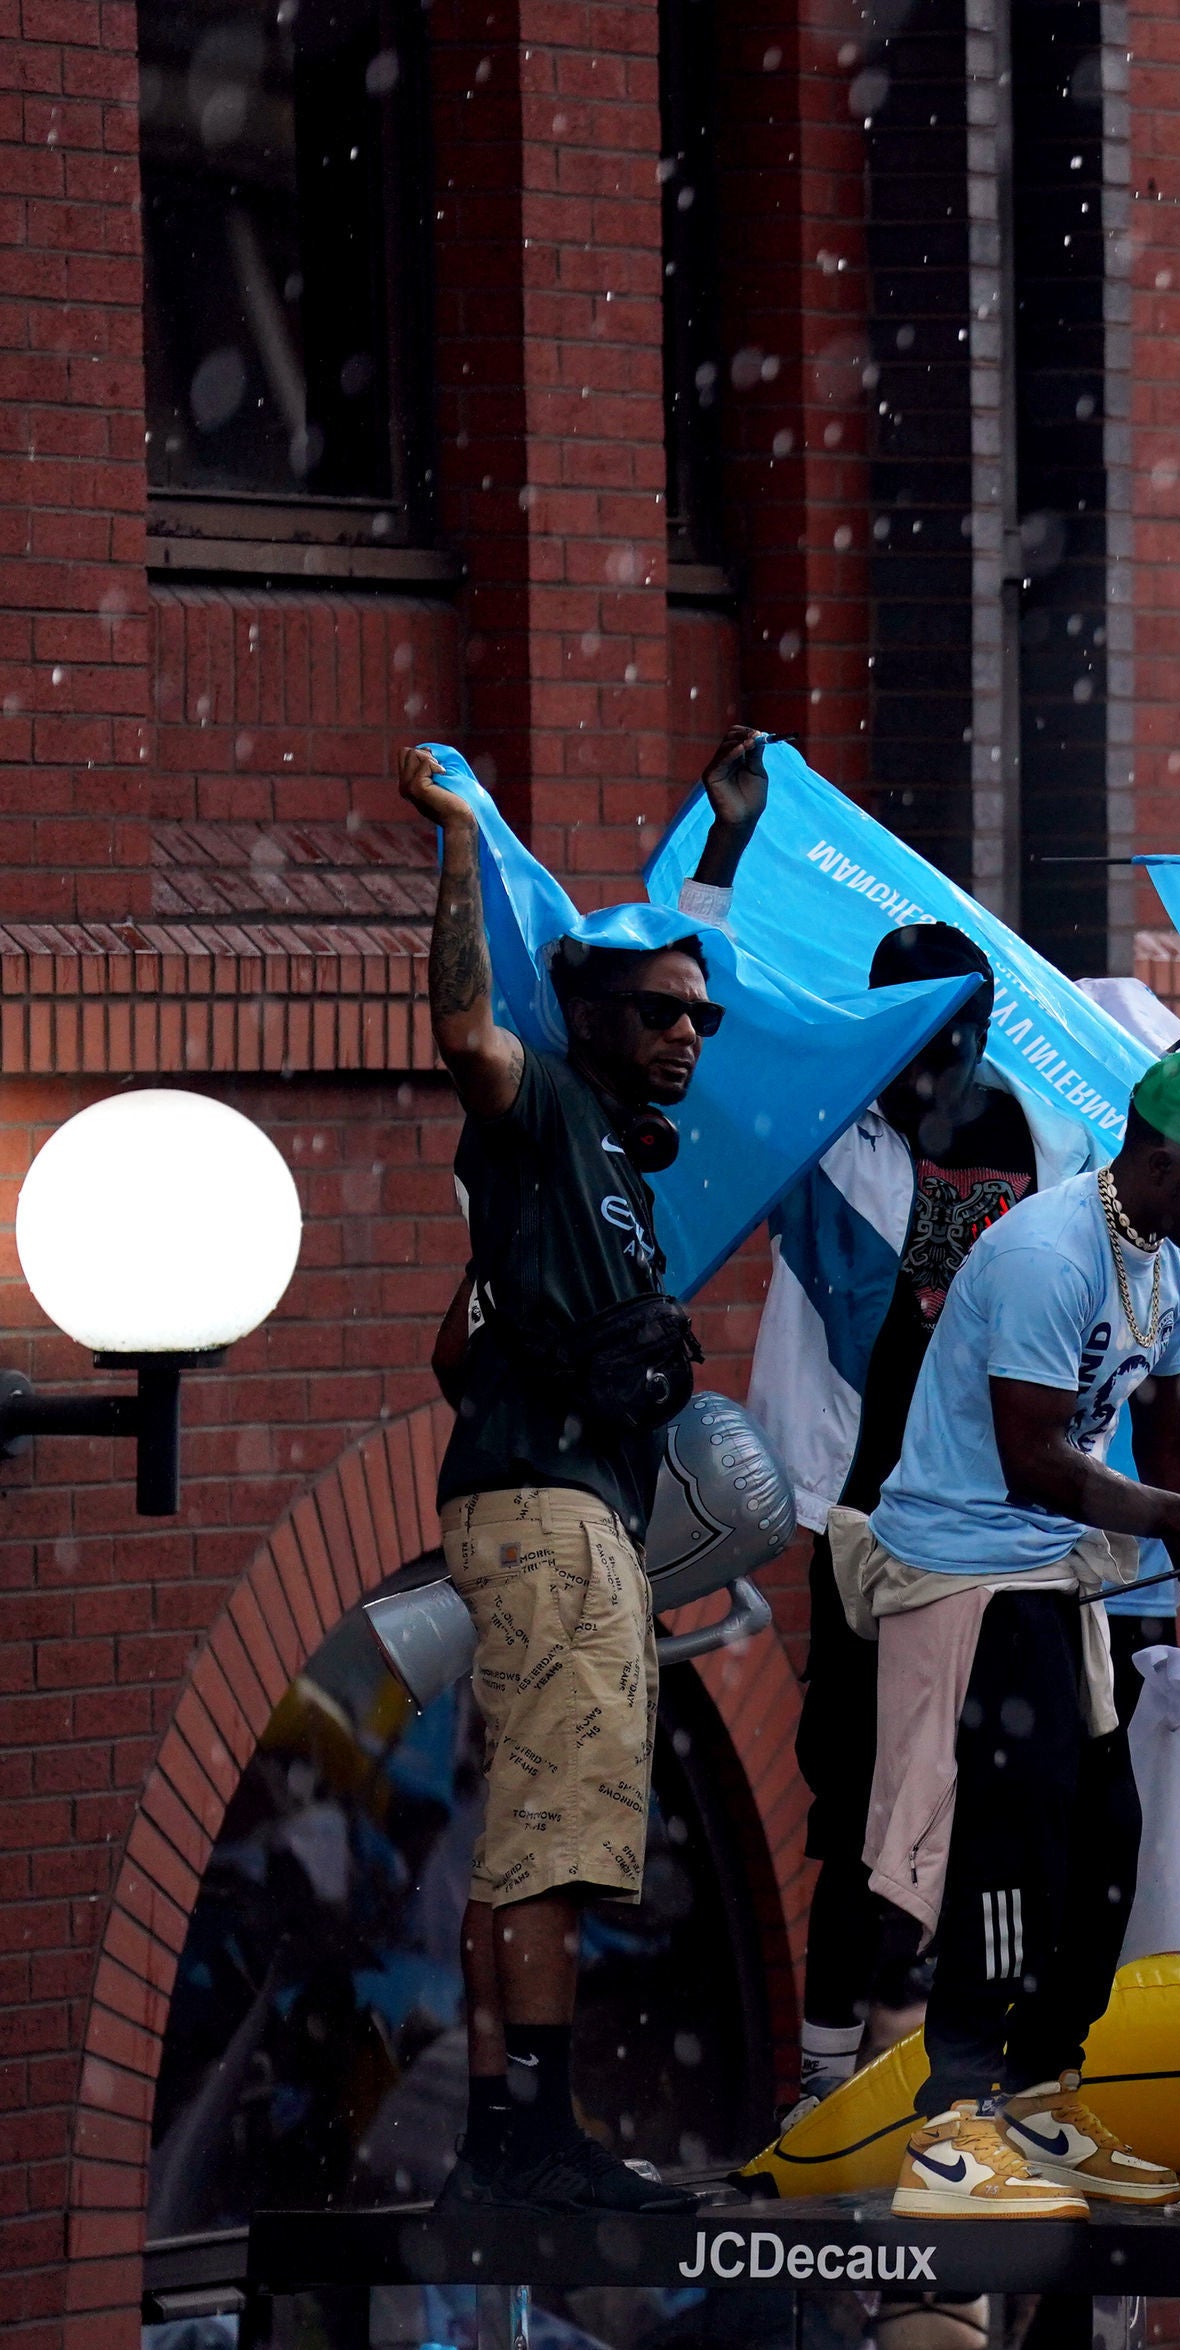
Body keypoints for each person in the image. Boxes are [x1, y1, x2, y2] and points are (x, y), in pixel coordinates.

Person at [401, 735, 763, 2215]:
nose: (690, 1033)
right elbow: (462, 1033)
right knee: (563, 1827)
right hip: (553, 1514)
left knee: (524, 1832)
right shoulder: (543, 1100)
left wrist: (535, 1346)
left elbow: (448, 1348)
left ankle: (502, 2135)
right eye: (662, 1012)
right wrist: (455, 850)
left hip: (547, 1499)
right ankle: (537, 2141)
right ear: (592, 1014)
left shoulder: (602, 1159)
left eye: (702, 1018)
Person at [846, 1053, 1180, 2216]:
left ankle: (1044, 2091)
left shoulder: (1167, 1260)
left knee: (1106, 1842)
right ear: (1157, 1160)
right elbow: (1034, 1459)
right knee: (1011, 1838)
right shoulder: (1051, 1251)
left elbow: (1162, 1427)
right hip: (964, 1570)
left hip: (1052, 1574)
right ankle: (951, 2121)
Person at [747, 918, 1050, 2116]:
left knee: (994, 1791)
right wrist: (726, 863)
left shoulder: (1030, 1128)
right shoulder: (820, 1122)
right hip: (860, 1513)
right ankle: (827, 2076)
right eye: (922, 1022)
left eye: (965, 1018)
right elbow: (717, 1045)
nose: (948, 1048)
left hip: (989, 1512)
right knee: (859, 1791)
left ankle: (964, 2074)